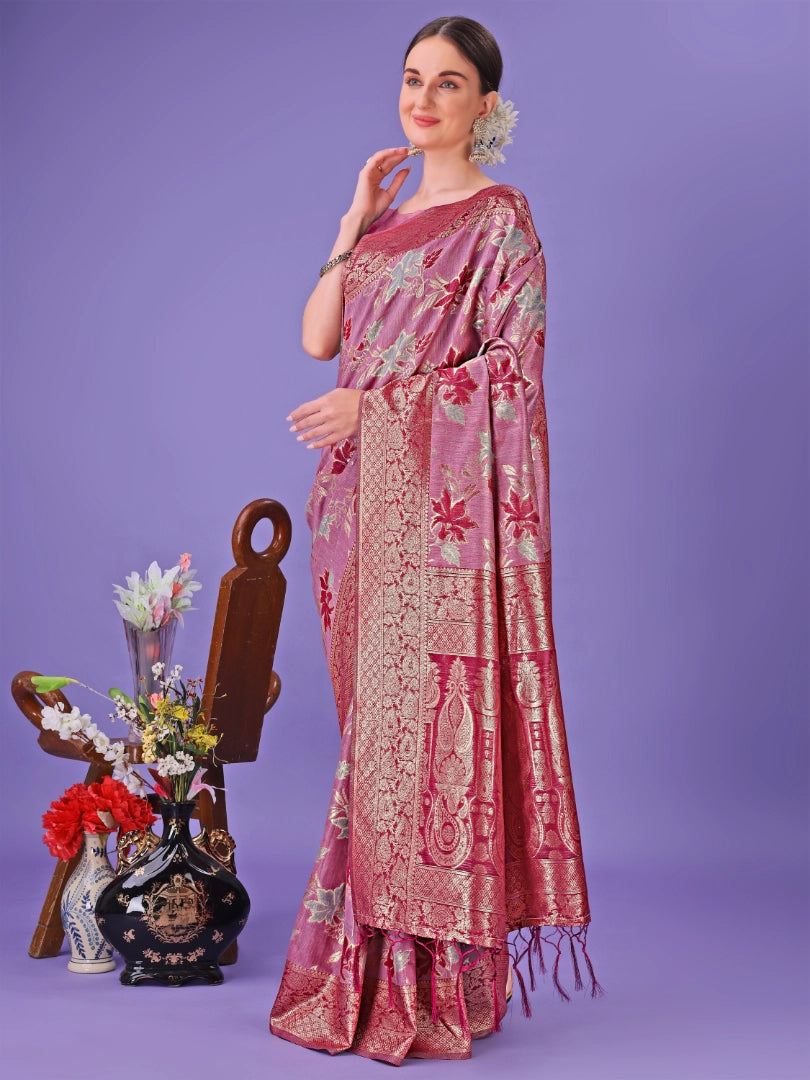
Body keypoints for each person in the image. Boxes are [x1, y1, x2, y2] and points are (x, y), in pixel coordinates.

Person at [269, 15, 603, 1065]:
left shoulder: (500, 220)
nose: (422, 99)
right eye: (413, 78)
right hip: (352, 514)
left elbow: (512, 373)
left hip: (438, 523)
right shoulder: (387, 224)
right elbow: (319, 338)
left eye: (448, 83)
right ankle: (379, 963)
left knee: (422, 745)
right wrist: (352, 218)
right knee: (374, 744)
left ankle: (429, 982)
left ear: (485, 106)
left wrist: (374, 410)